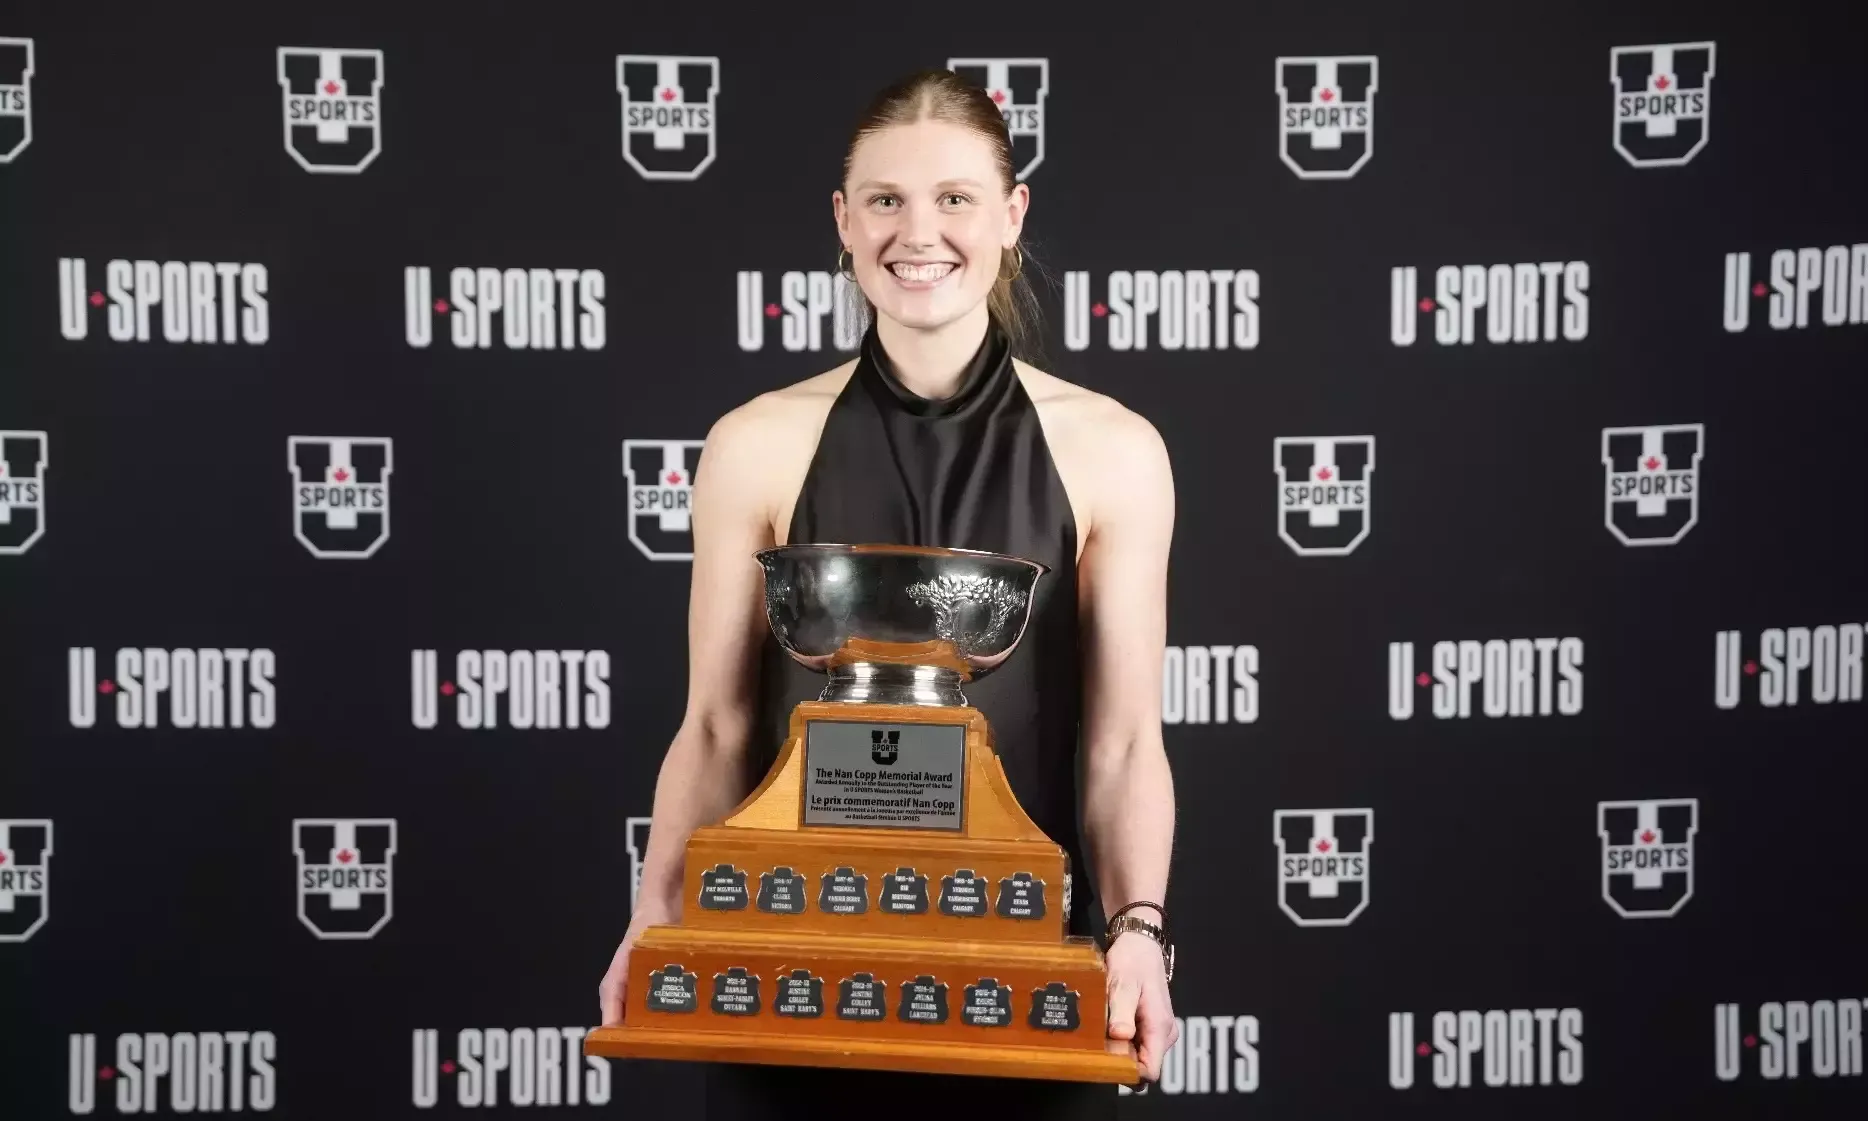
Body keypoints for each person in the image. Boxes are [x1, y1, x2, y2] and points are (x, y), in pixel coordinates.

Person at [598, 68, 1179, 1120]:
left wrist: (1136, 929)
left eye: (954, 197)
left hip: (1029, 966)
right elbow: (719, 722)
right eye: (885, 200)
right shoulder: (754, 442)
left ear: (1010, 215)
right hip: (792, 960)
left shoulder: (1112, 450)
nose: (919, 232)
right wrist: (657, 909)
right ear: (843, 219)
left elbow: (1123, 739)